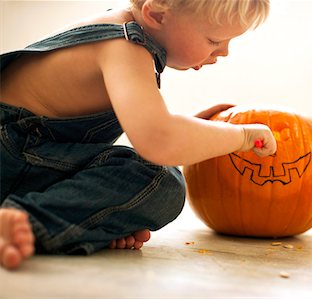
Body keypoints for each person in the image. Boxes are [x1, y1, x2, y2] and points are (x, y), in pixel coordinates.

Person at [0, 0, 276, 270]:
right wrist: (242, 136)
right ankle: (24, 222)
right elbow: (158, 141)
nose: (224, 52)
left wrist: (194, 131)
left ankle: (78, 223)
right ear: (156, 14)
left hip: (25, 156)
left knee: (137, 173)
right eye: (214, 40)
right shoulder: (125, 47)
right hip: (11, 153)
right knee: (159, 178)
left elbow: (153, 131)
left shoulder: (121, 29)